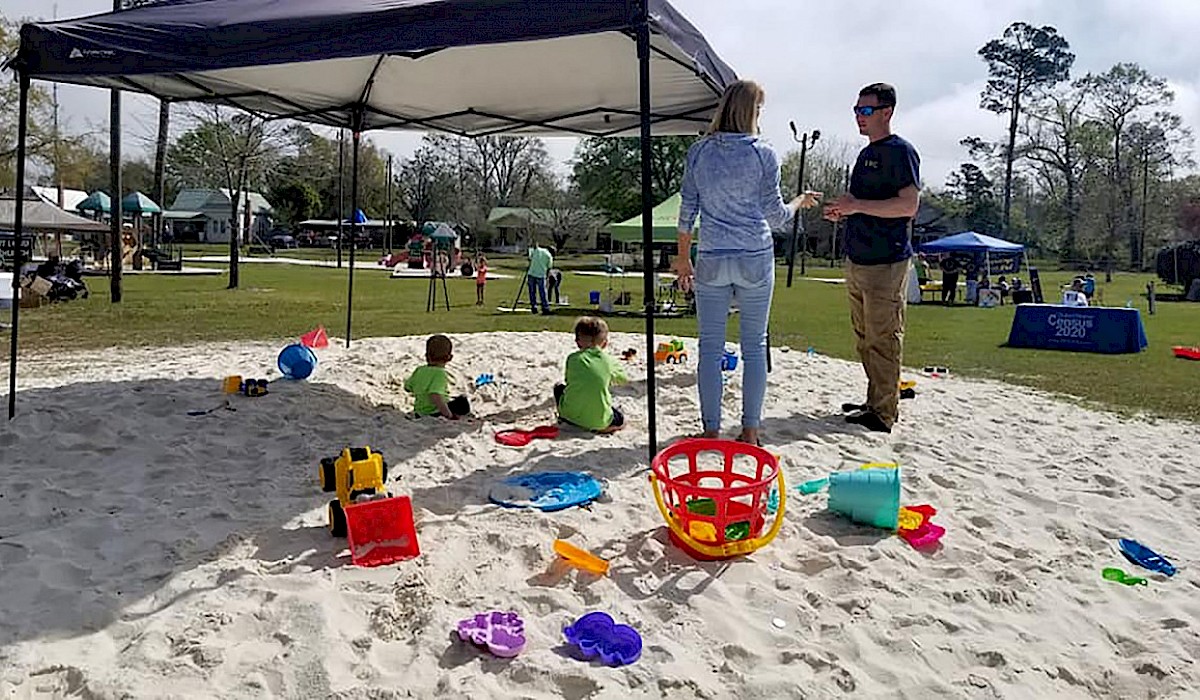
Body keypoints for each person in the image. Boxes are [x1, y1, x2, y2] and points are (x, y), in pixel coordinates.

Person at [672, 79, 821, 445]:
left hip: (711, 256)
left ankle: (710, 428)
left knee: (709, 347)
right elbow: (775, 217)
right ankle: (750, 429)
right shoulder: (763, 153)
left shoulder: (700, 152)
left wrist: (682, 259)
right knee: (753, 347)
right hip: (754, 255)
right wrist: (799, 201)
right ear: (752, 111)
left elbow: (687, 210)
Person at [823, 82, 920, 434]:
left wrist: (858, 206)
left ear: (886, 112)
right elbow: (861, 202)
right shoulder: (865, 155)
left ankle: (883, 412)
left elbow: (909, 206)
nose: (858, 117)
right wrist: (842, 211)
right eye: (856, 111)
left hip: (886, 260)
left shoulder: (900, 152)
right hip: (858, 257)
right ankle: (874, 401)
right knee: (865, 336)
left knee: (884, 336)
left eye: (865, 111)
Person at [555, 317, 627, 434]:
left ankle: (566, 416)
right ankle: (607, 428)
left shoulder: (572, 358)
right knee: (620, 419)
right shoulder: (608, 361)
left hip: (569, 415)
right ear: (605, 343)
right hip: (598, 421)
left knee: (559, 388)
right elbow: (623, 379)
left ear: (578, 342)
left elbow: (569, 381)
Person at [404, 334, 470, 419]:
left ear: (426, 356)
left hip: (419, 412)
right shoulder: (440, 374)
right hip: (435, 412)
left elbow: (407, 387)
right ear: (449, 357)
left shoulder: (419, 370)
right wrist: (448, 414)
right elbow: (435, 395)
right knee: (462, 401)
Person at [526, 241, 553, 314]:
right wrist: (547, 277)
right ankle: (545, 307)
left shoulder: (536, 250)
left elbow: (530, 257)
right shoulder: (549, 255)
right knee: (543, 292)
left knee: (532, 291)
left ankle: (534, 307)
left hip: (532, 273)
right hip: (541, 275)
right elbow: (549, 267)